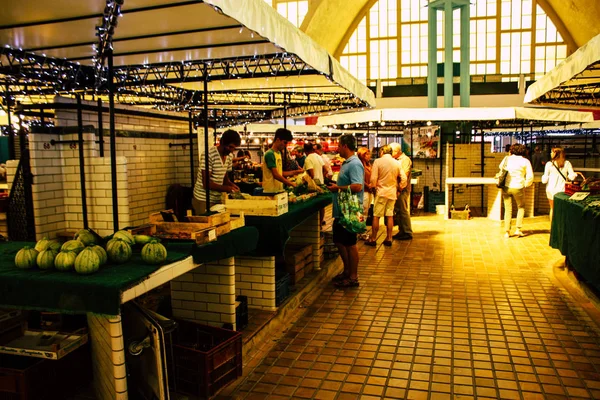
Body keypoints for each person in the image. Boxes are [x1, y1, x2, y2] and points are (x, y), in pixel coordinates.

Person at [327, 134, 364, 288]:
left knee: (350, 243)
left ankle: (353, 277)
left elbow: (357, 186)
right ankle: (347, 271)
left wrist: (338, 188)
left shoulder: (354, 163)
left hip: (350, 210)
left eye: (339, 145)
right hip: (342, 210)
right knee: (339, 240)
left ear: (345, 146)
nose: (337, 148)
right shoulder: (347, 163)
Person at [192, 129, 241, 214]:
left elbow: (225, 180)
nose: (232, 150)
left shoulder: (229, 157)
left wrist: (233, 186)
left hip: (217, 199)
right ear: (222, 143)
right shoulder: (209, 155)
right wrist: (227, 188)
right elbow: (206, 183)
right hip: (203, 199)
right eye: (230, 147)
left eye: (234, 148)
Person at [366, 145, 403, 247]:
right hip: (392, 192)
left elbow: (373, 179)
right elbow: (403, 178)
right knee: (390, 215)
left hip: (381, 192)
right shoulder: (397, 163)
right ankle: (389, 238)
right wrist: (399, 188)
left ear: (382, 151)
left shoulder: (378, 161)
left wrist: (373, 187)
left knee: (376, 216)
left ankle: (373, 238)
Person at [498, 143, 534, 238]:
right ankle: (518, 229)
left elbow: (501, 168)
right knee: (521, 207)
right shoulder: (525, 161)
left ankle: (507, 231)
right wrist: (525, 184)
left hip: (506, 186)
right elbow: (530, 176)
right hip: (518, 187)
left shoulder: (506, 159)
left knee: (508, 209)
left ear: (512, 150)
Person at [541, 147, 579, 221]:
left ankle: (552, 228)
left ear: (556, 153)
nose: (550, 153)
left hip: (551, 190)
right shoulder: (567, 163)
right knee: (561, 209)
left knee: (552, 208)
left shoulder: (549, 164)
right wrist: (572, 176)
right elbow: (572, 176)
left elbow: (544, 180)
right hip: (562, 190)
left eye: (552, 152)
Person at [262, 128, 298, 192]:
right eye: (285, 142)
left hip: (278, 190)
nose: (285, 145)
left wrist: (296, 172)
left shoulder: (278, 153)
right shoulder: (270, 154)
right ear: (278, 140)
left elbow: (280, 173)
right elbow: (275, 175)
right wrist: (291, 183)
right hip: (270, 191)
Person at [390, 142, 412, 240]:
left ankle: (407, 232)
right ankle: (401, 230)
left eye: (392, 151)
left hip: (403, 189)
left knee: (403, 210)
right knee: (398, 210)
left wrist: (400, 188)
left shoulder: (405, 160)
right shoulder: (395, 160)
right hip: (396, 189)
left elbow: (405, 175)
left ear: (397, 151)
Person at [356, 147, 373, 240]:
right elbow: (360, 179)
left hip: (369, 191)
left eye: (369, 154)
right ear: (362, 155)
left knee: (365, 212)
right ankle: (361, 230)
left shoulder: (368, 165)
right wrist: (368, 185)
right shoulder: (360, 165)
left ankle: (362, 229)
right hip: (363, 191)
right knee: (362, 212)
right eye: (367, 154)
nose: (369, 156)